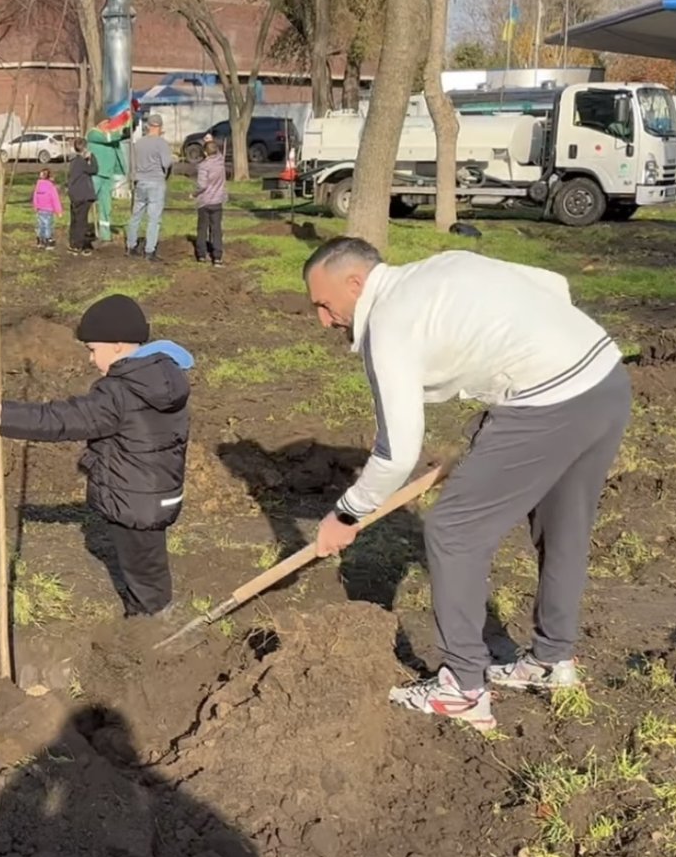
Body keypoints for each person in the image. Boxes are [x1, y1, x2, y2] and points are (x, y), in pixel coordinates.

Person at [303, 237, 632, 732]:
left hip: (550, 401)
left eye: (324, 305)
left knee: (453, 531)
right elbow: (553, 285)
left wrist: (347, 513)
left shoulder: (388, 325)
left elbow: (396, 454)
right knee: (563, 526)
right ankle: (551, 660)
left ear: (355, 283)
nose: (324, 321)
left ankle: (462, 689)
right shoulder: (444, 266)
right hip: (605, 378)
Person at [0, 294, 193, 618]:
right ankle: (148, 614)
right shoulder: (162, 378)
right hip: (156, 494)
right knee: (147, 563)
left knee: (143, 574)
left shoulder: (120, 392)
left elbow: (68, 419)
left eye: (93, 349)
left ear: (117, 346)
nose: (90, 359)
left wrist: (11, 417)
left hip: (133, 499)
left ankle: (154, 627)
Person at [87, 99, 139, 245]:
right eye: (105, 123)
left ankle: (105, 235)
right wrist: (121, 131)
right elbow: (110, 138)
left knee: (106, 206)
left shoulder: (109, 134)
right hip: (95, 175)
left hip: (107, 175)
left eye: (108, 122)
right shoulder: (93, 134)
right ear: (98, 123)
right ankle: (84, 229)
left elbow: (121, 136)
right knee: (87, 203)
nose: (107, 125)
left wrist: (131, 123)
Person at [125, 114, 173, 261]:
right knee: (154, 218)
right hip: (156, 182)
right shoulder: (161, 143)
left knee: (136, 215)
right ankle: (149, 251)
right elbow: (166, 163)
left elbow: (132, 163)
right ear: (160, 127)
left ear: (148, 126)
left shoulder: (138, 143)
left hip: (140, 182)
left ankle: (131, 246)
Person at [193, 136, 227, 266]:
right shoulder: (220, 161)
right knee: (216, 229)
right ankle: (217, 257)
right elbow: (217, 153)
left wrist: (194, 194)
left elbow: (202, 185)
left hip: (205, 202)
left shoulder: (203, 166)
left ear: (205, 153)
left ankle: (201, 255)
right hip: (217, 201)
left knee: (202, 228)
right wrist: (211, 140)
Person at [66, 137, 98, 255]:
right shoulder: (81, 162)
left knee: (75, 220)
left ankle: (73, 243)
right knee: (81, 221)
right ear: (84, 148)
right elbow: (94, 170)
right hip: (83, 196)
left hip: (74, 195)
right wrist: (92, 157)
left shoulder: (73, 162)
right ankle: (79, 245)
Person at [31, 166, 62, 251]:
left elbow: (35, 197)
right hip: (48, 210)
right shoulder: (51, 186)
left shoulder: (38, 185)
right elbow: (55, 199)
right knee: (48, 225)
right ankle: (48, 241)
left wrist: (35, 206)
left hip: (40, 209)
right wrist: (58, 211)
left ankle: (40, 241)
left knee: (40, 225)